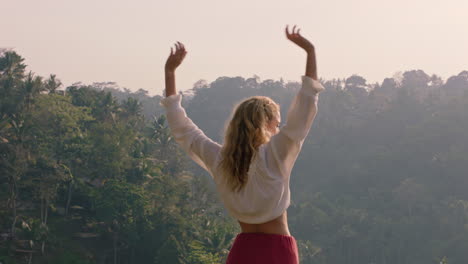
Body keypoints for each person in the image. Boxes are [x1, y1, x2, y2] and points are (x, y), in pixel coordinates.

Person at [160, 25, 325, 264]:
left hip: (242, 252)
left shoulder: (220, 160)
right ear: (267, 124)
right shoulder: (275, 154)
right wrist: (310, 51)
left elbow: (182, 129)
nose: (278, 129)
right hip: (278, 252)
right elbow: (306, 105)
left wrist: (170, 72)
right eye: (277, 124)